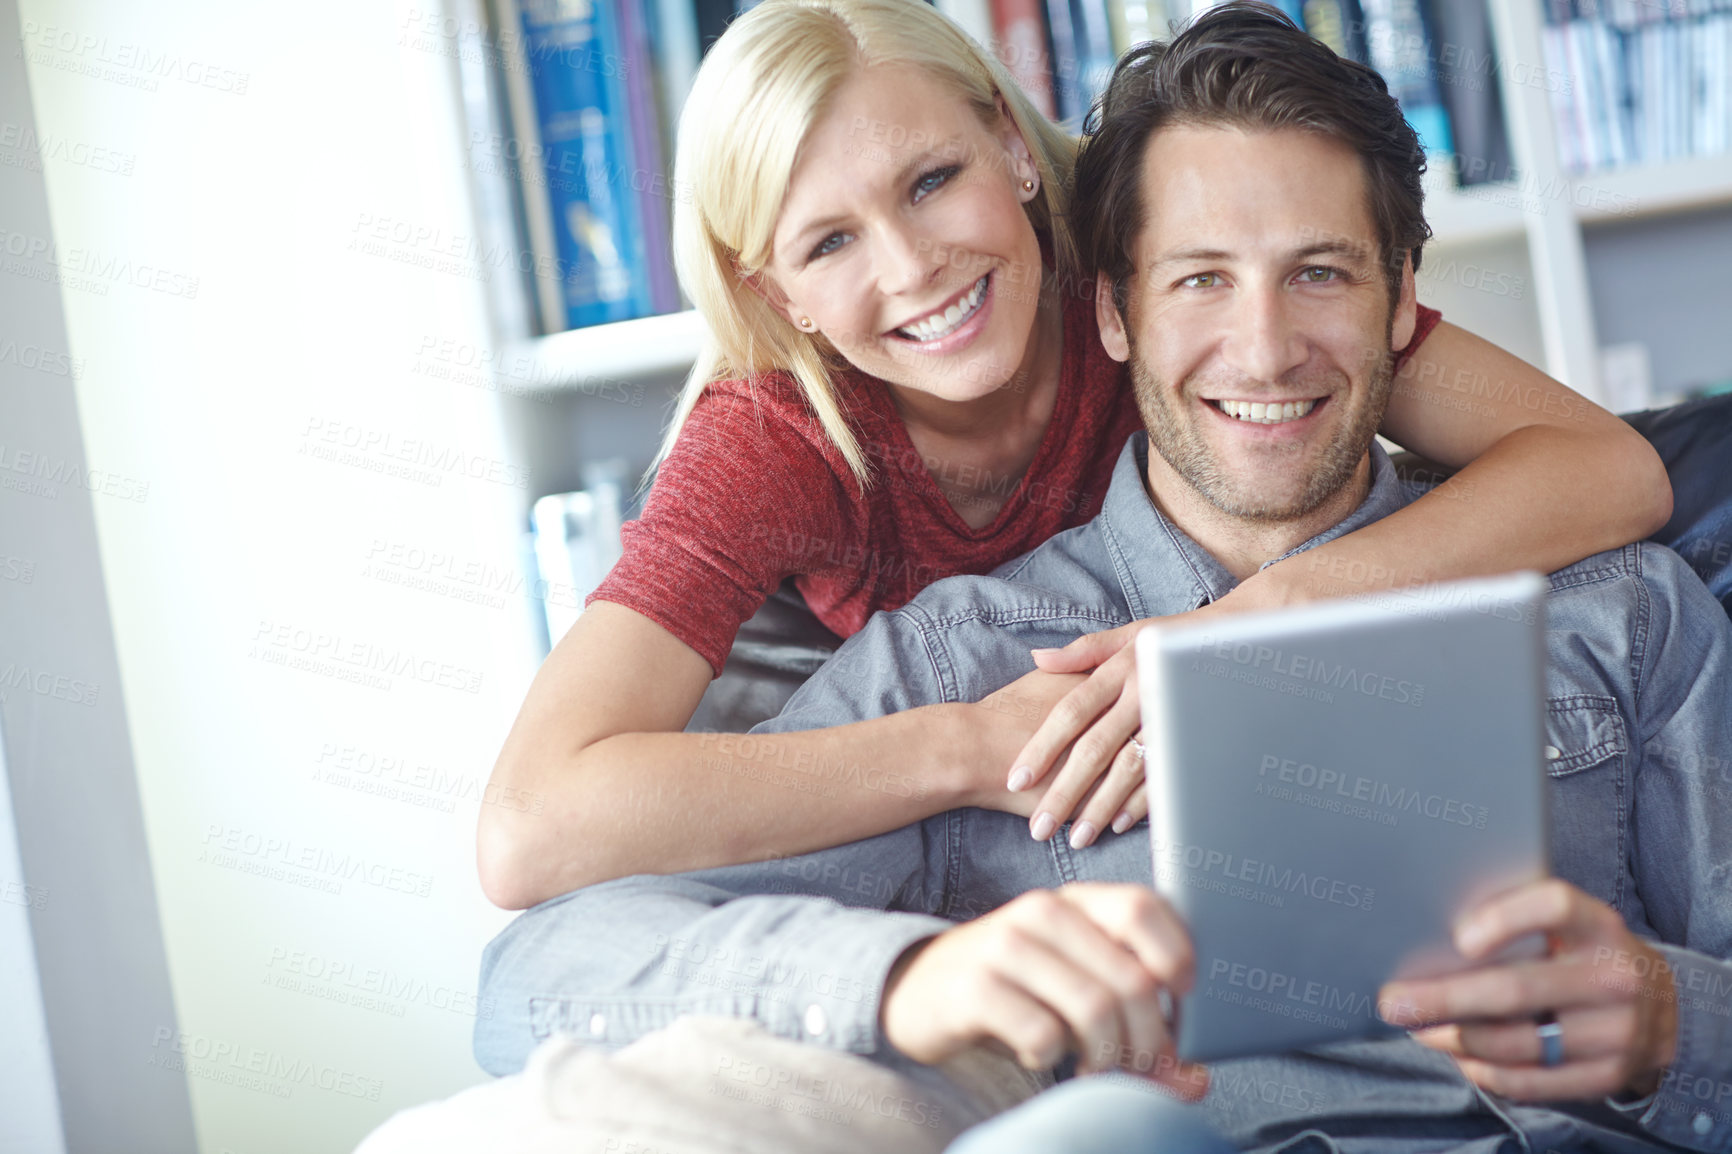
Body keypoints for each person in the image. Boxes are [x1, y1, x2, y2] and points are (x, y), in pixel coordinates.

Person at [473, 8, 1732, 1152]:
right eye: (1197, 280)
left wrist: (1677, 1017)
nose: (1263, 343)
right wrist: (909, 973)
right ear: (1117, 309)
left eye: (1322, 272)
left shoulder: (1623, 614)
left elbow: (1607, 467)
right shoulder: (935, 646)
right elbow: (540, 933)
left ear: (1401, 304)